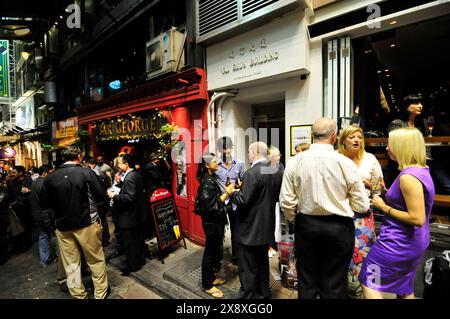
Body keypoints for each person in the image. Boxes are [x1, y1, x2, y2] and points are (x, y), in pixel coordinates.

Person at [280, 118, 369, 299]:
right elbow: (362, 204)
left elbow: (286, 202)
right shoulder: (345, 163)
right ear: (334, 136)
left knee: (307, 282)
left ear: (313, 135)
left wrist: (299, 220)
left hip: (306, 225)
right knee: (335, 283)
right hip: (339, 228)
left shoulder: (295, 162)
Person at [359, 128, 435, 299]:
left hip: (398, 243)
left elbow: (417, 218)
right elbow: (407, 201)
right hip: (411, 242)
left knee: (370, 279)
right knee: (404, 286)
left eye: (390, 145)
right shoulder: (421, 170)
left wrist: (384, 207)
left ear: (401, 147)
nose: (387, 149)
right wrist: (384, 191)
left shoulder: (409, 177)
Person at [43, 145, 109, 299]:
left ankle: (78, 295)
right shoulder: (86, 172)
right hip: (87, 223)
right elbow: (101, 195)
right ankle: (100, 293)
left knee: (71, 264)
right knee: (95, 260)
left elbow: (45, 203)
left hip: (62, 227)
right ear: (78, 156)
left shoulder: (50, 177)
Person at [230, 141, 283, 299]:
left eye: (249, 152)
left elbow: (244, 200)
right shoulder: (275, 171)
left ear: (255, 153)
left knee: (247, 270)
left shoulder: (251, 173)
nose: (248, 155)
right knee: (262, 265)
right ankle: (264, 295)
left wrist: (233, 193)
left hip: (249, 231)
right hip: (266, 228)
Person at [337, 126, 384, 298]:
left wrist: (372, 190)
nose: (357, 140)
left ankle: (370, 291)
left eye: (359, 137)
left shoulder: (370, 159)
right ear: (343, 141)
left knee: (367, 257)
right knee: (343, 258)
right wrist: (356, 182)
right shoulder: (337, 159)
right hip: (342, 216)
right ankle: (348, 291)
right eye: (352, 137)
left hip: (364, 217)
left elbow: (379, 186)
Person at [195, 153, 234, 298]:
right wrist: (227, 193)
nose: (217, 162)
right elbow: (211, 207)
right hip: (211, 224)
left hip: (216, 222)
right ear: (206, 165)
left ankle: (211, 278)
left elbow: (214, 201)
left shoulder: (212, 178)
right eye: (214, 161)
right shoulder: (207, 183)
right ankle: (207, 285)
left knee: (215, 250)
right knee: (210, 253)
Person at [108, 154, 146, 276]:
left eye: (119, 163)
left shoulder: (129, 178)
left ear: (126, 164)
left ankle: (133, 265)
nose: (118, 165)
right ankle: (140, 260)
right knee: (137, 240)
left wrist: (114, 196)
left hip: (129, 216)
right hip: (136, 214)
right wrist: (119, 184)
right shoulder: (135, 174)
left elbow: (129, 198)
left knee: (130, 243)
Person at [215, 136, 244, 266]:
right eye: (224, 148)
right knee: (219, 232)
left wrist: (238, 186)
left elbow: (243, 181)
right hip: (220, 202)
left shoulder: (239, 164)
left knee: (235, 230)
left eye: (229, 148)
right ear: (220, 150)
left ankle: (236, 257)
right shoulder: (216, 165)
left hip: (233, 202)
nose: (227, 151)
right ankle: (218, 258)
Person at [30, 165, 58, 267]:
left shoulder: (34, 182)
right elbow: (46, 202)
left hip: (37, 215)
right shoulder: (45, 183)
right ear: (45, 173)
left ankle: (44, 260)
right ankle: (59, 257)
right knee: (54, 236)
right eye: (51, 172)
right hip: (45, 215)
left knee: (43, 236)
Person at [6, 165, 33, 253]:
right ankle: (20, 246)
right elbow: (9, 195)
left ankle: (28, 243)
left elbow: (32, 195)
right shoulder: (11, 182)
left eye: (14, 172)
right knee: (17, 228)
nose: (12, 174)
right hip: (15, 209)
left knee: (27, 226)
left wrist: (29, 191)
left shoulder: (28, 181)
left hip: (26, 208)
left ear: (20, 173)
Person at [87, 159, 111, 247]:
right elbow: (107, 185)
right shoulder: (100, 172)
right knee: (103, 220)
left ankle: (100, 240)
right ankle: (106, 239)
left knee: (97, 221)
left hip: (97, 202)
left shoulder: (90, 175)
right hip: (103, 200)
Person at [267, 146, 284, 257]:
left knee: (276, 224)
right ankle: (268, 247)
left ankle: (274, 245)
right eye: (276, 155)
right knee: (268, 224)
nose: (279, 157)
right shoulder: (265, 168)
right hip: (267, 201)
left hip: (278, 199)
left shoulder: (281, 166)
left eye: (279, 155)